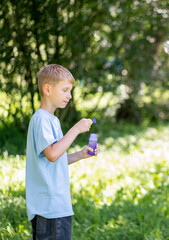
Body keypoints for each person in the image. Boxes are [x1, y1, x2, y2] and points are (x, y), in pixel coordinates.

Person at [26, 64, 98, 240]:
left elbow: (54, 158)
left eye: (70, 90)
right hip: (50, 206)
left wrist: (80, 154)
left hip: (55, 205)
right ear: (47, 89)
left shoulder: (52, 120)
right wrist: (75, 129)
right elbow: (51, 154)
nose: (69, 95)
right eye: (65, 90)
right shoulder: (41, 119)